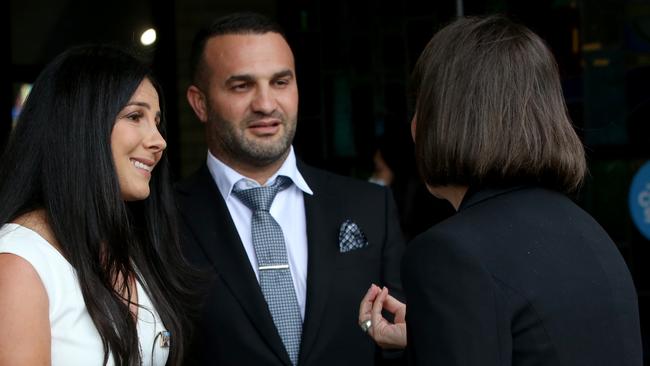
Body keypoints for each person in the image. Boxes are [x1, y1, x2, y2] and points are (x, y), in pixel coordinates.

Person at [359, 15, 643, 365]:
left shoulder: (448, 254)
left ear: (451, 119)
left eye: (422, 106)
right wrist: (429, 332)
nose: (414, 125)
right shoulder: (588, 231)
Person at [176, 12, 405, 366]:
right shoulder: (159, 221)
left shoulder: (370, 206)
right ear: (200, 103)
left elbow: (399, 343)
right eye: (242, 86)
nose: (266, 104)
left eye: (280, 82)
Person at [0, 45, 195, 366]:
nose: (158, 140)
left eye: (156, 121)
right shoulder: (21, 262)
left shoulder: (128, 245)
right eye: (135, 116)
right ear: (81, 126)